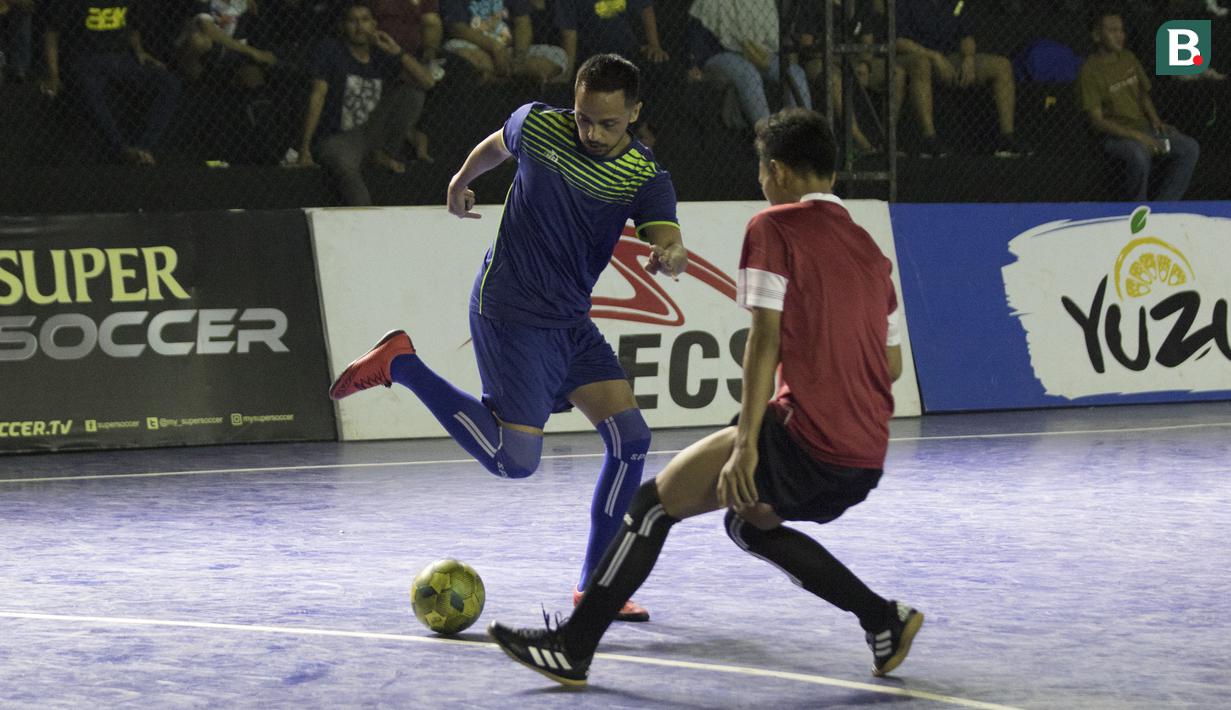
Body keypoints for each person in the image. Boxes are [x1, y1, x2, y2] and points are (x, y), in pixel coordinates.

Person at [488, 108, 922, 686]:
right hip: (864, 457)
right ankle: (882, 619)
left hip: (802, 441)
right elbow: (890, 364)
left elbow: (764, 340)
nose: (762, 182)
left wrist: (748, 444)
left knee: (650, 507)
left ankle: (573, 646)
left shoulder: (774, 226)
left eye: (764, 171)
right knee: (749, 522)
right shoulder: (870, 250)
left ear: (781, 172)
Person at [328, 53, 687, 622]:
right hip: (510, 310)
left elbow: (663, 230)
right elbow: (498, 143)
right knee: (512, 462)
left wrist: (671, 252)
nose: (591, 132)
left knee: (631, 440)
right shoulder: (542, 124)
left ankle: (596, 584)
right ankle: (401, 364)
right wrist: (460, 180)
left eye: (608, 123)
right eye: (584, 117)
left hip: (569, 321)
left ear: (636, 113)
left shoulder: (644, 176)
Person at [296, 2, 436, 205]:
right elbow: (317, 96)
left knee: (412, 93)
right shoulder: (330, 51)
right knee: (346, 168)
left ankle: (381, 153)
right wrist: (305, 148)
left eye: (364, 20)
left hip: (373, 132)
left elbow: (427, 82)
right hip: (338, 137)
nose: (359, 27)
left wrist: (397, 51)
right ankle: (365, 218)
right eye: (353, 21)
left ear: (374, 24)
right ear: (343, 26)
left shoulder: (381, 55)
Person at [1077, 9, 1200, 201]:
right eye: (1112, 31)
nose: (1120, 36)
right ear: (1096, 35)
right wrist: (1140, 137)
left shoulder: (1129, 58)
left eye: (1121, 30)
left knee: (1189, 147)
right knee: (1139, 154)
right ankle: (1137, 209)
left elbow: (1143, 94)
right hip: (1115, 137)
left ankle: (1163, 208)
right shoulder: (1089, 70)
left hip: (1145, 129)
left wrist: (1157, 122)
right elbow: (1097, 121)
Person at [40, 0, 182, 165]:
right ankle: (121, 149)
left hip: (121, 58)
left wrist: (139, 51)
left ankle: (143, 148)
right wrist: (53, 74)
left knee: (170, 82)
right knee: (89, 86)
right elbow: (51, 33)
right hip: (85, 59)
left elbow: (132, 24)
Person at [895, 0, 1026, 157]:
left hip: (949, 58)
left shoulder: (957, 3)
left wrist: (969, 58)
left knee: (1002, 65)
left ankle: (1007, 137)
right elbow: (898, 41)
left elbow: (966, 36)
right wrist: (933, 56)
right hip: (917, 57)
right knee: (922, 64)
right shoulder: (904, 3)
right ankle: (928, 138)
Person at [685, 0, 812, 130]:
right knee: (748, 73)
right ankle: (769, 137)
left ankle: (802, 133)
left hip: (756, 53)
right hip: (718, 53)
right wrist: (693, 63)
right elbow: (695, 33)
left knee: (795, 72)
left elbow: (772, 39)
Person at [440, 0, 566, 84]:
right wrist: (495, 47)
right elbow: (457, 28)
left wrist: (519, 57)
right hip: (476, 48)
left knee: (559, 56)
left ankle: (500, 74)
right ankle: (521, 74)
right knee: (456, 51)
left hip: (510, 53)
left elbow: (523, 24)